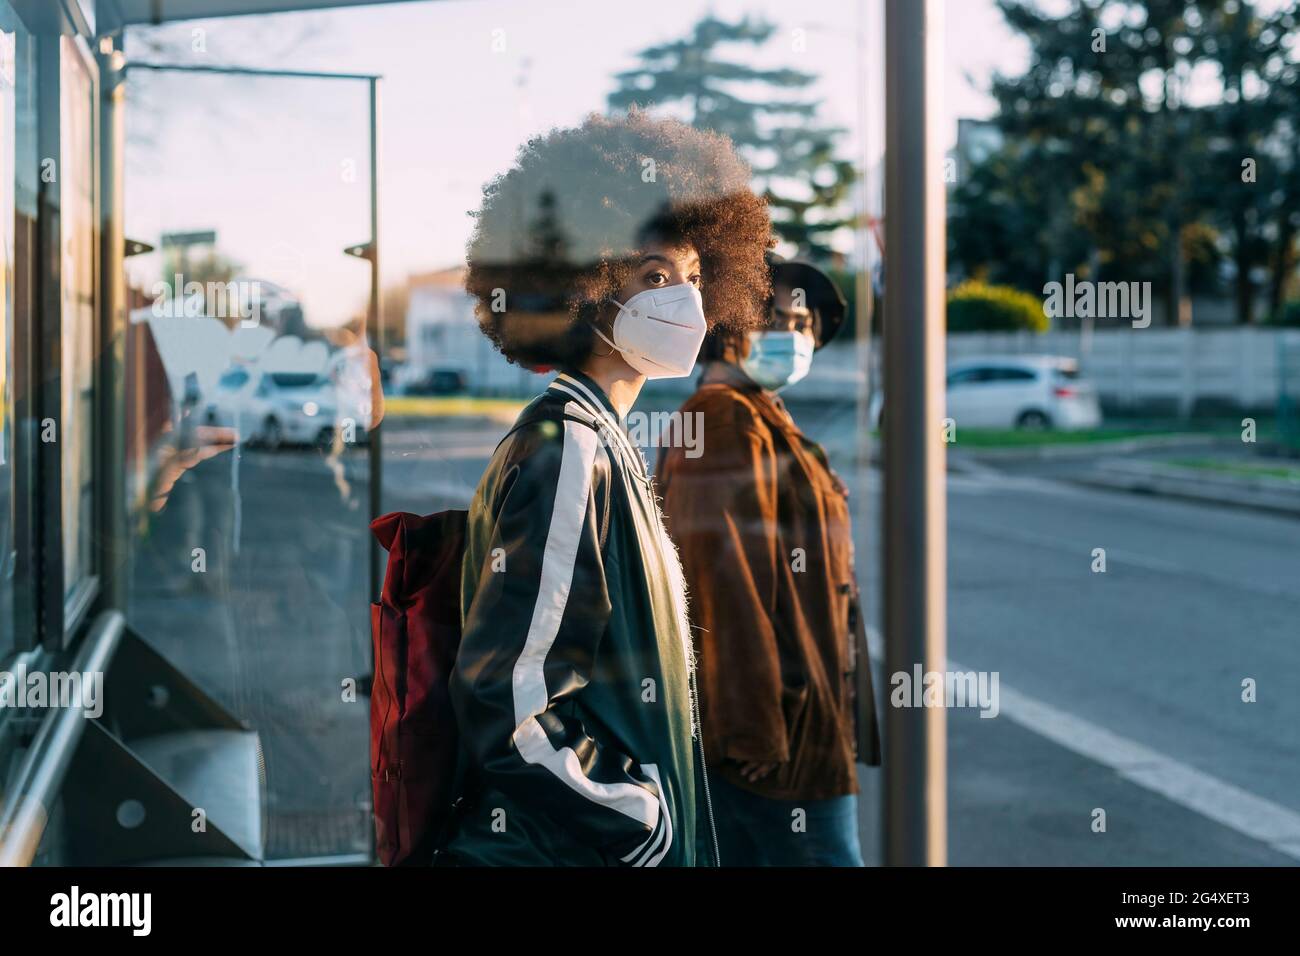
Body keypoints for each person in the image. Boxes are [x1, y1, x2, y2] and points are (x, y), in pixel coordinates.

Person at [444, 111, 773, 866]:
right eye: (655, 277)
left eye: (693, 278)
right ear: (580, 285)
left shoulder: (596, 437)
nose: (685, 301)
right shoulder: (570, 448)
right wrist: (635, 819)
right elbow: (510, 703)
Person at [656, 254, 881, 866]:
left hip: (796, 726)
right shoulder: (722, 418)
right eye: (777, 318)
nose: (796, 336)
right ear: (729, 324)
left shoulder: (756, 412)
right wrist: (750, 726)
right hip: (774, 744)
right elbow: (721, 579)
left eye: (805, 325)